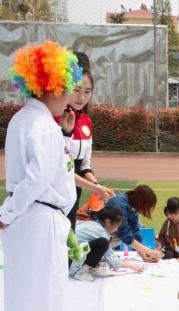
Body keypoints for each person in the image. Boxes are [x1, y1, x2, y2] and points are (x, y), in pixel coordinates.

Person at [0, 40, 84, 311]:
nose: (71, 97)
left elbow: (47, 169)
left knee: (45, 293)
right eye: (68, 90)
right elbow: (38, 177)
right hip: (36, 216)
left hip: (41, 216)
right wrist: (9, 211)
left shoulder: (34, 120)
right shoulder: (39, 124)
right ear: (53, 87)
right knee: (35, 298)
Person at [61, 52, 114, 229]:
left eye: (87, 91)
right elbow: (62, 169)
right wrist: (96, 188)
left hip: (75, 188)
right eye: (76, 90)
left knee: (70, 233)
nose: (81, 97)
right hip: (57, 188)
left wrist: (98, 186)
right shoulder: (57, 118)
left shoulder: (85, 120)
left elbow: (84, 165)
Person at [73, 203, 146, 280]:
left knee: (101, 245)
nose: (116, 229)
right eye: (116, 226)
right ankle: (80, 271)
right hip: (72, 258)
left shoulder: (92, 224)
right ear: (108, 222)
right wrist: (133, 266)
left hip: (67, 254)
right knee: (103, 243)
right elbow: (112, 259)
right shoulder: (101, 232)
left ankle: (86, 266)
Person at [105, 185, 162, 263]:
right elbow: (126, 235)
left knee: (121, 237)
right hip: (96, 234)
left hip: (107, 235)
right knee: (118, 237)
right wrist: (150, 252)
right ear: (141, 202)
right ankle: (98, 253)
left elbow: (135, 233)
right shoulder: (119, 205)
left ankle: (103, 252)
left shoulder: (132, 208)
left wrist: (144, 257)